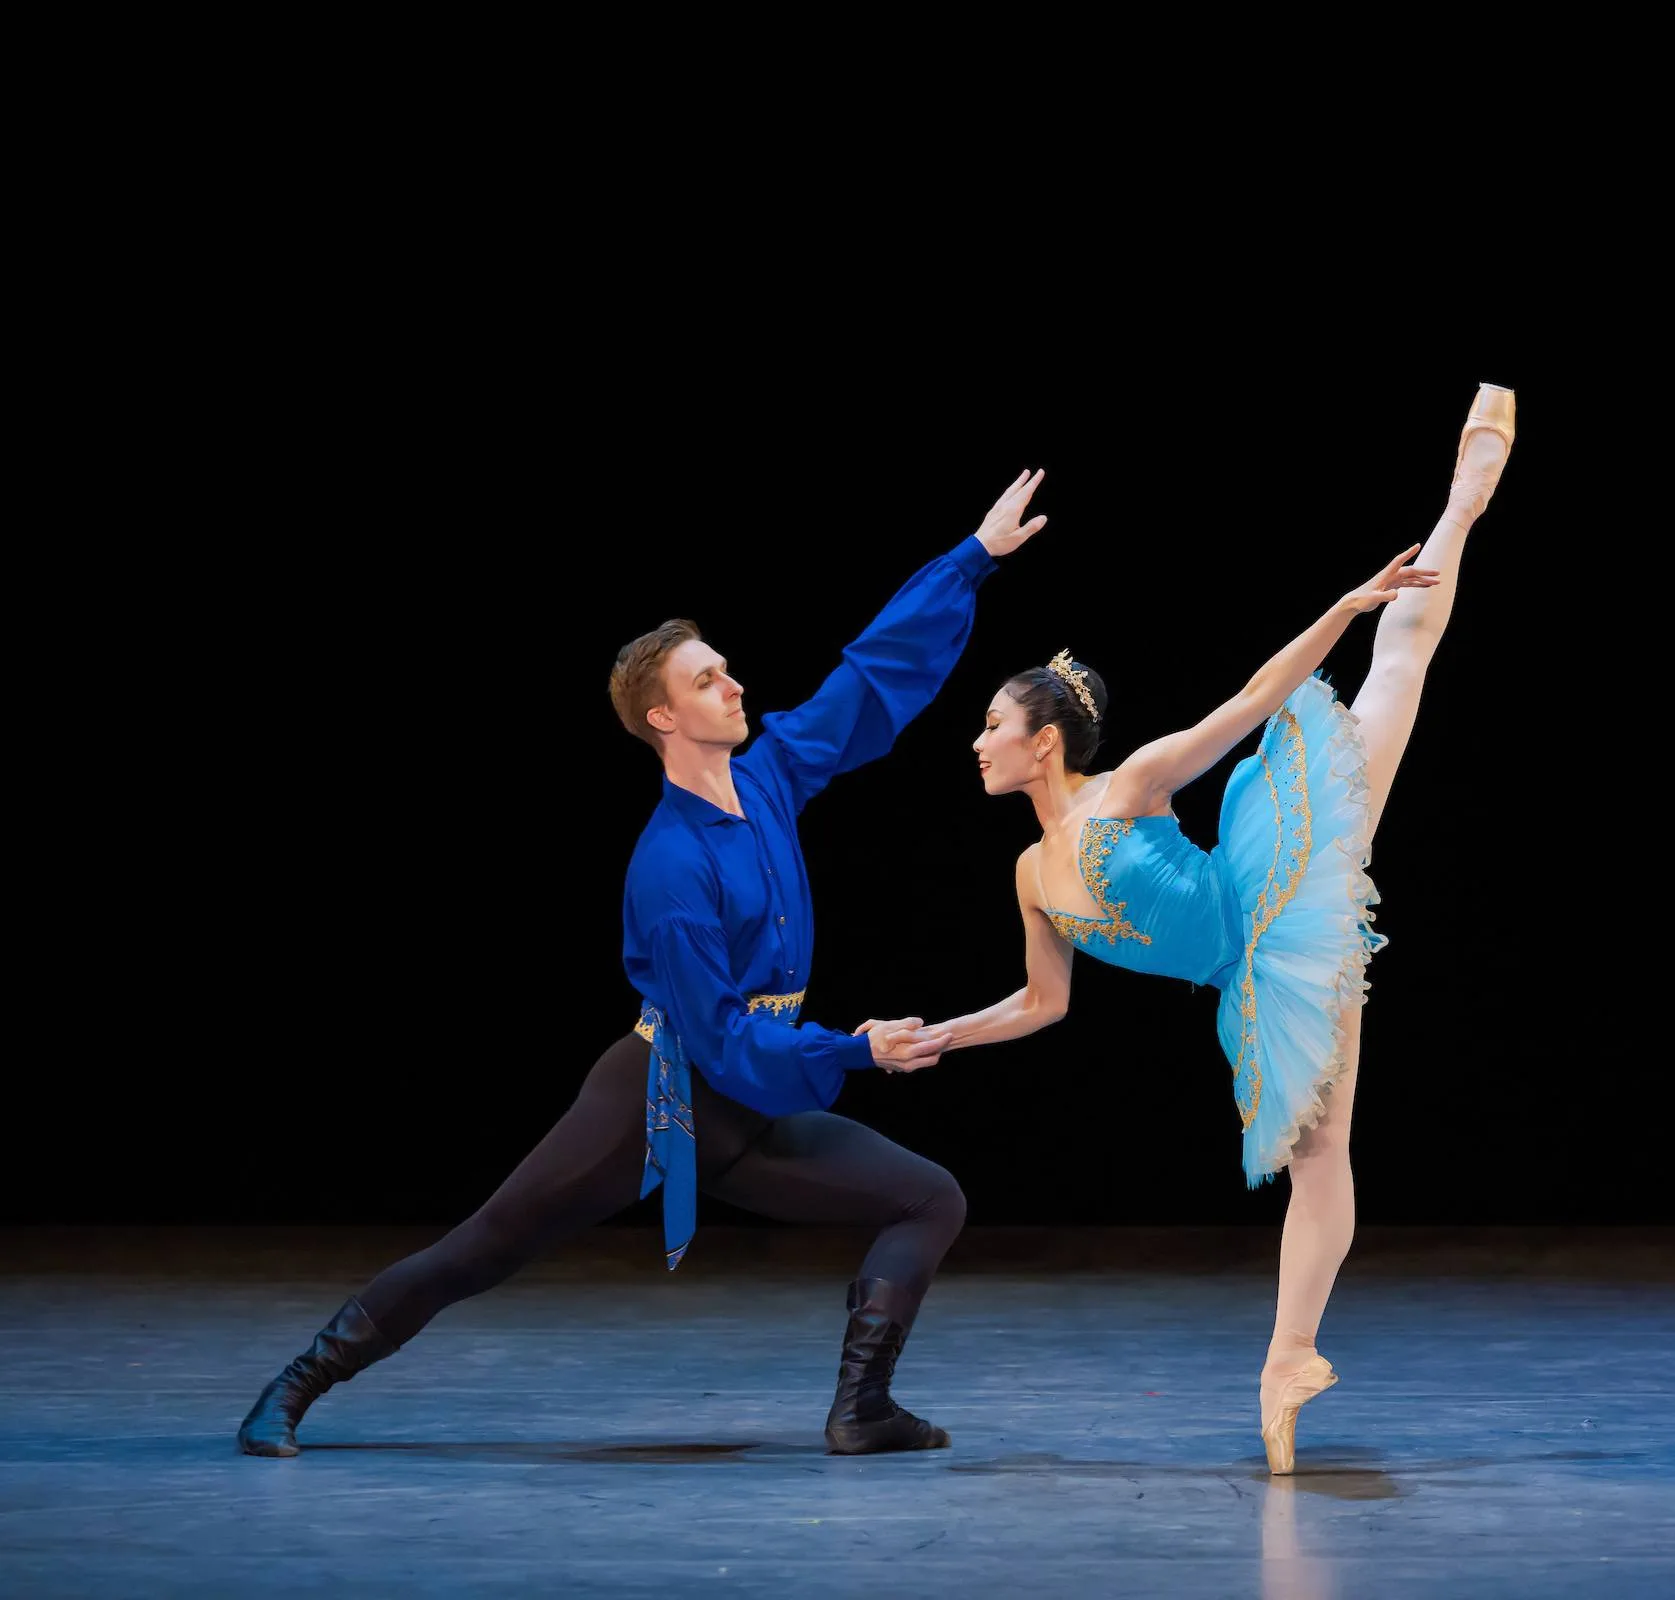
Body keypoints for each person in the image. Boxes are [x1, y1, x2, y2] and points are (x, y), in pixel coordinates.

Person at [236, 470, 1050, 1460]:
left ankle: (861, 1407)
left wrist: (972, 557)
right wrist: (856, 1048)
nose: (734, 683)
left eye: (726, 669)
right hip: (660, 1100)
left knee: (932, 1196)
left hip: (749, 1099)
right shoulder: (670, 866)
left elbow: (868, 681)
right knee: (480, 1251)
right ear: (662, 718)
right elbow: (718, 1037)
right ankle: (295, 1383)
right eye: (707, 679)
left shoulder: (774, 772)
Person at [903, 387, 1515, 1473]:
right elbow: (1044, 1004)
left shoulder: (1127, 788)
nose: (978, 741)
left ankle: (1464, 497)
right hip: (1252, 973)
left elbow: (1245, 700)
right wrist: (945, 1033)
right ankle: (1289, 1361)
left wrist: (1343, 605)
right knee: (1320, 1149)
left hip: (1279, 866)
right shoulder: (1029, 874)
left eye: (995, 723)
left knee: (1395, 666)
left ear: (1046, 740)